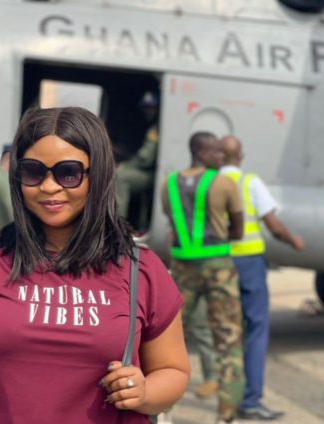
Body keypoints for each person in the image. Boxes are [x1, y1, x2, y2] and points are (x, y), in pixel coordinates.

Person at [0, 106, 190, 423]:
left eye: (68, 173)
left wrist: (145, 392)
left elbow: (173, 370)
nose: (49, 187)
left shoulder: (141, 269)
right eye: (33, 171)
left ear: (98, 175)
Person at [161, 131, 245, 424]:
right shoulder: (224, 183)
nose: (223, 157)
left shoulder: (169, 184)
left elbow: (172, 222)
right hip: (218, 266)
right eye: (217, 152)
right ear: (202, 152)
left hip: (182, 267)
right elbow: (238, 230)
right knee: (228, 337)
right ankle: (226, 414)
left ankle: (162, 409)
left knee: (168, 337)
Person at [220, 135, 304, 421]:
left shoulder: (209, 184)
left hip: (218, 263)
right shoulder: (249, 182)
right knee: (256, 329)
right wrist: (293, 241)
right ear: (240, 157)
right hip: (249, 265)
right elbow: (274, 225)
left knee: (226, 331)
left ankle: (226, 400)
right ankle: (250, 400)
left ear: (219, 156)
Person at [116, 91, 159, 220]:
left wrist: (125, 165)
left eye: (150, 108)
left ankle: (118, 222)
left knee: (119, 177)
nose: (147, 111)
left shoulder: (156, 129)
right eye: (145, 108)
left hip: (155, 174)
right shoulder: (153, 126)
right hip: (152, 172)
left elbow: (145, 158)